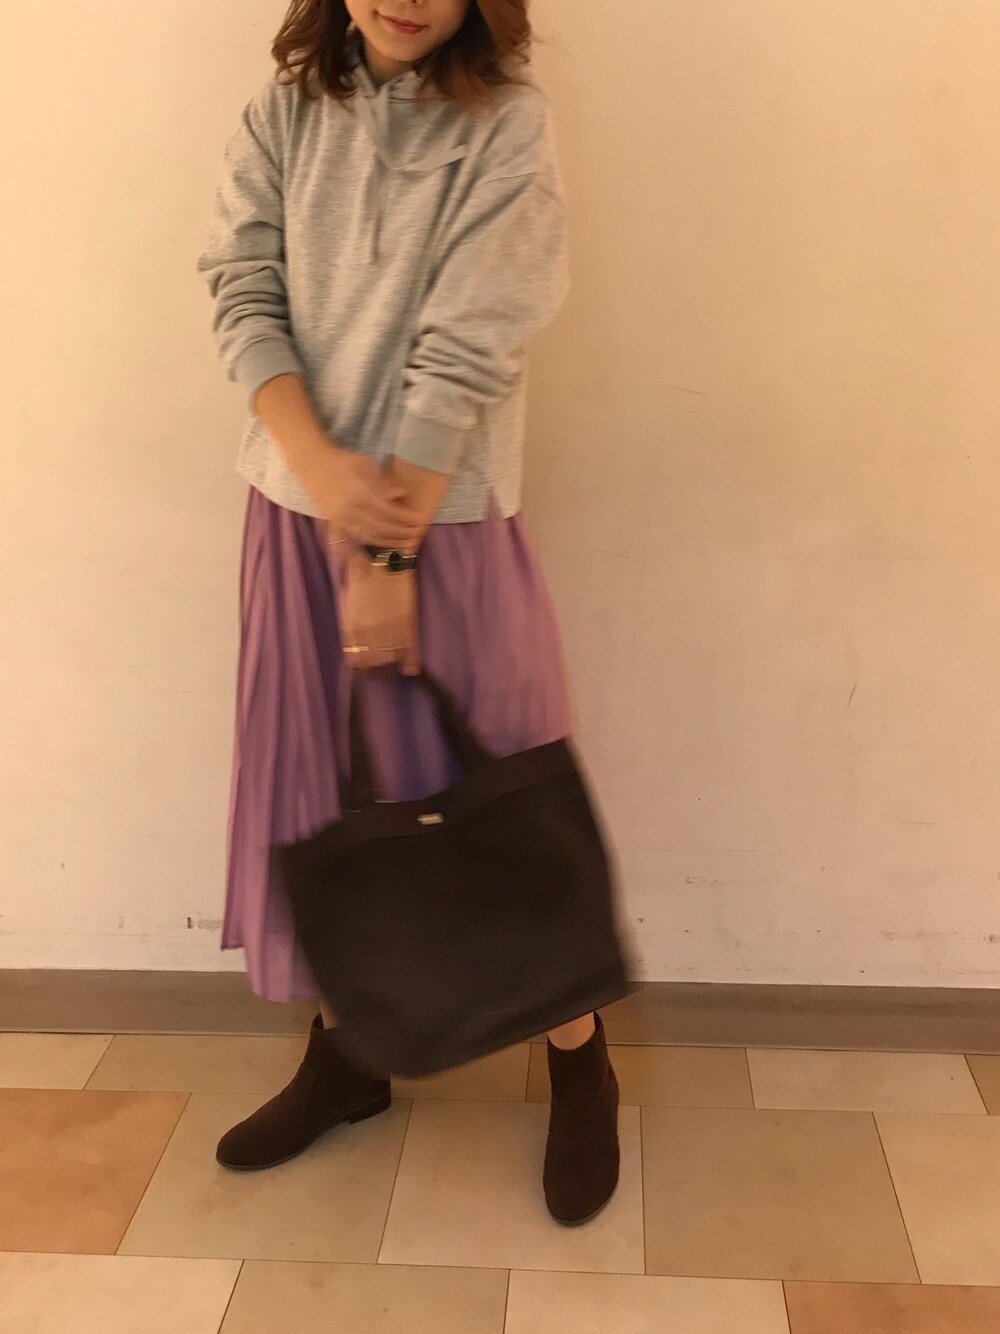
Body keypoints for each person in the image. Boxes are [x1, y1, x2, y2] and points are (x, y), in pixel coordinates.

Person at [196, 0, 620, 1226]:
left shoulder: (507, 123)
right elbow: (240, 286)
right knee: (329, 797)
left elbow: (474, 337)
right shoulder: (281, 112)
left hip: (448, 519)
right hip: (296, 517)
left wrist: (384, 538)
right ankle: (349, 1054)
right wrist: (319, 470)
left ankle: (577, 1056)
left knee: (498, 791)